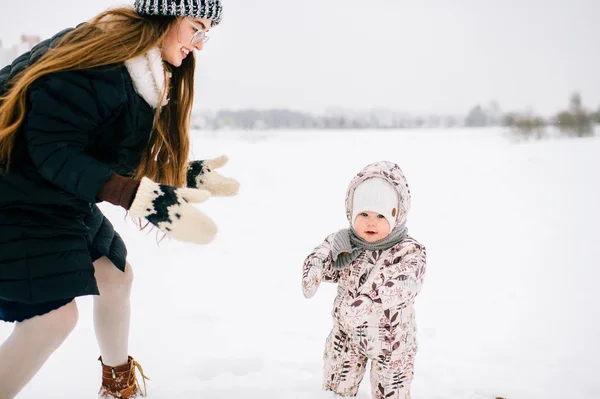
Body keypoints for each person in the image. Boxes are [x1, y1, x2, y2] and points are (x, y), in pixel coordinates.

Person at [0, 1, 239, 398]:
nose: (199, 45)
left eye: (206, 33)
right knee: (53, 319)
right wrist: (134, 196)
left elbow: (111, 151)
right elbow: (53, 150)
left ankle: (118, 386)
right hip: (14, 197)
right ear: (165, 17)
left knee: (115, 277)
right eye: (195, 27)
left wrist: (183, 172)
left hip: (52, 195)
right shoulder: (100, 64)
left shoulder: (138, 69)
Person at [301, 161, 426, 399]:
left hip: (391, 341)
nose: (371, 222)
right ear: (351, 213)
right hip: (346, 333)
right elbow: (324, 256)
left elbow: (404, 281)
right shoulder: (344, 242)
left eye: (380, 215)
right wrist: (314, 269)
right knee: (336, 388)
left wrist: (370, 300)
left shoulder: (408, 250)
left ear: (395, 215)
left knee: (391, 391)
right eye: (364, 214)